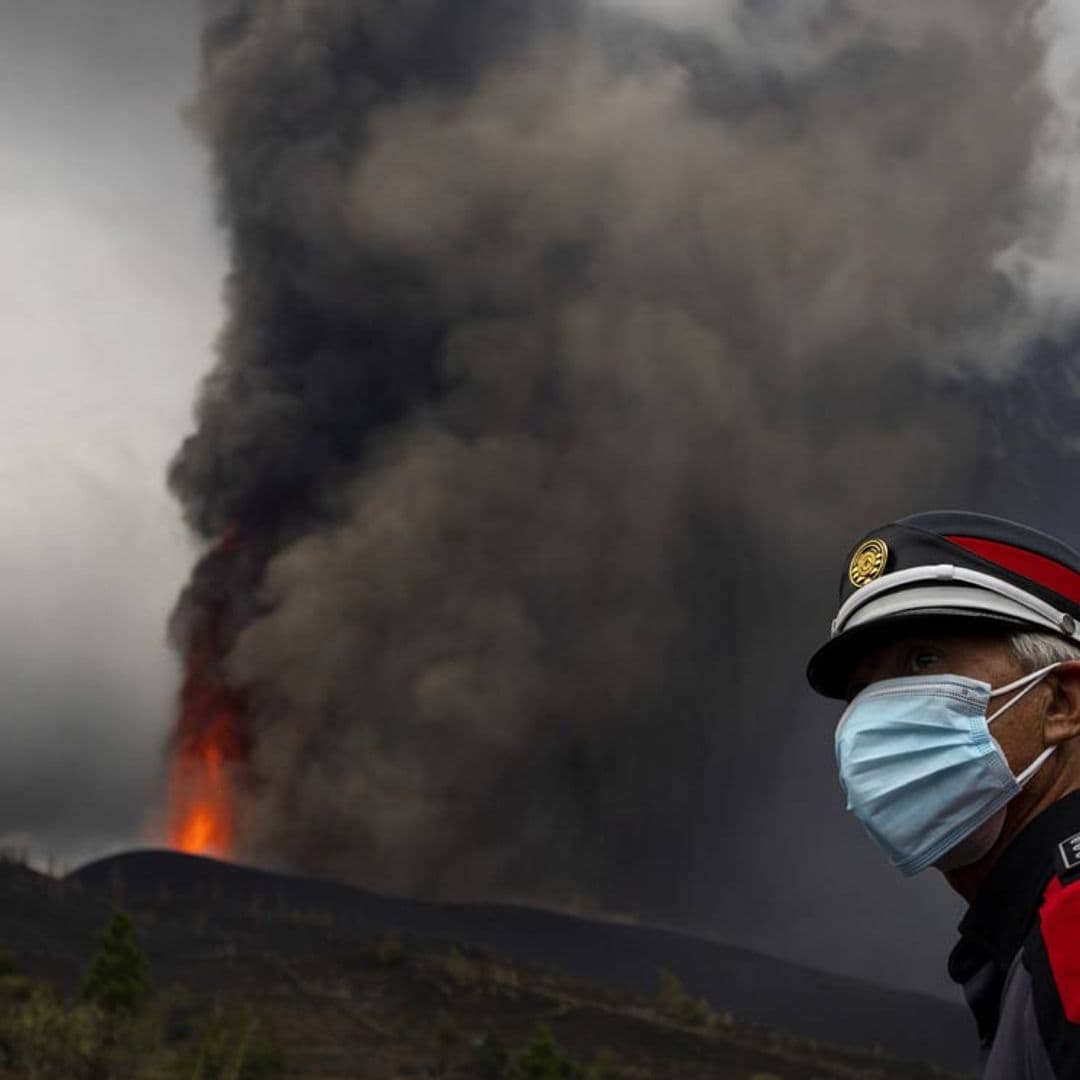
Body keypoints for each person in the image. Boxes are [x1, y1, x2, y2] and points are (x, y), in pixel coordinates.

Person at [807, 511, 1080, 1079]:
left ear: (1061, 704)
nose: (879, 715)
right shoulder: (1033, 933)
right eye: (864, 688)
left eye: (924, 660)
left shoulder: (1073, 929)